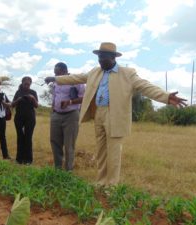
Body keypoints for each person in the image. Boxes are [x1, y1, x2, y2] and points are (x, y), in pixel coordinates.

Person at [45, 42, 187, 186]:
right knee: (101, 151)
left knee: (113, 153)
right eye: (99, 57)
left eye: (103, 57)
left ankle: (111, 185)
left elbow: (146, 87)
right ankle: (101, 182)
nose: (100, 61)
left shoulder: (128, 73)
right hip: (98, 113)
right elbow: (76, 78)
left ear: (113, 57)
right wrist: (55, 79)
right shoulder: (95, 72)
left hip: (115, 115)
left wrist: (166, 96)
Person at [50, 62, 85, 171]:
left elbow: (84, 97)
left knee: (69, 145)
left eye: (58, 73)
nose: (56, 76)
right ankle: (58, 170)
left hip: (71, 115)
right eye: (55, 74)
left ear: (65, 71)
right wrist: (53, 109)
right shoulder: (56, 83)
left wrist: (69, 102)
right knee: (55, 142)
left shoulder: (76, 81)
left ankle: (68, 172)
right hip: (56, 115)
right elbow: (55, 96)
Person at [11, 76, 38, 165]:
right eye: (25, 84)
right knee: (20, 138)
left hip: (30, 118)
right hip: (19, 118)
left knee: (28, 138)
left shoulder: (33, 92)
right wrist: (18, 100)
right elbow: (12, 105)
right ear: (22, 83)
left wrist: (33, 98)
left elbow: (36, 105)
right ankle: (19, 159)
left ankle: (28, 160)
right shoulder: (18, 92)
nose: (27, 85)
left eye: (28, 84)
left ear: (30, 84)